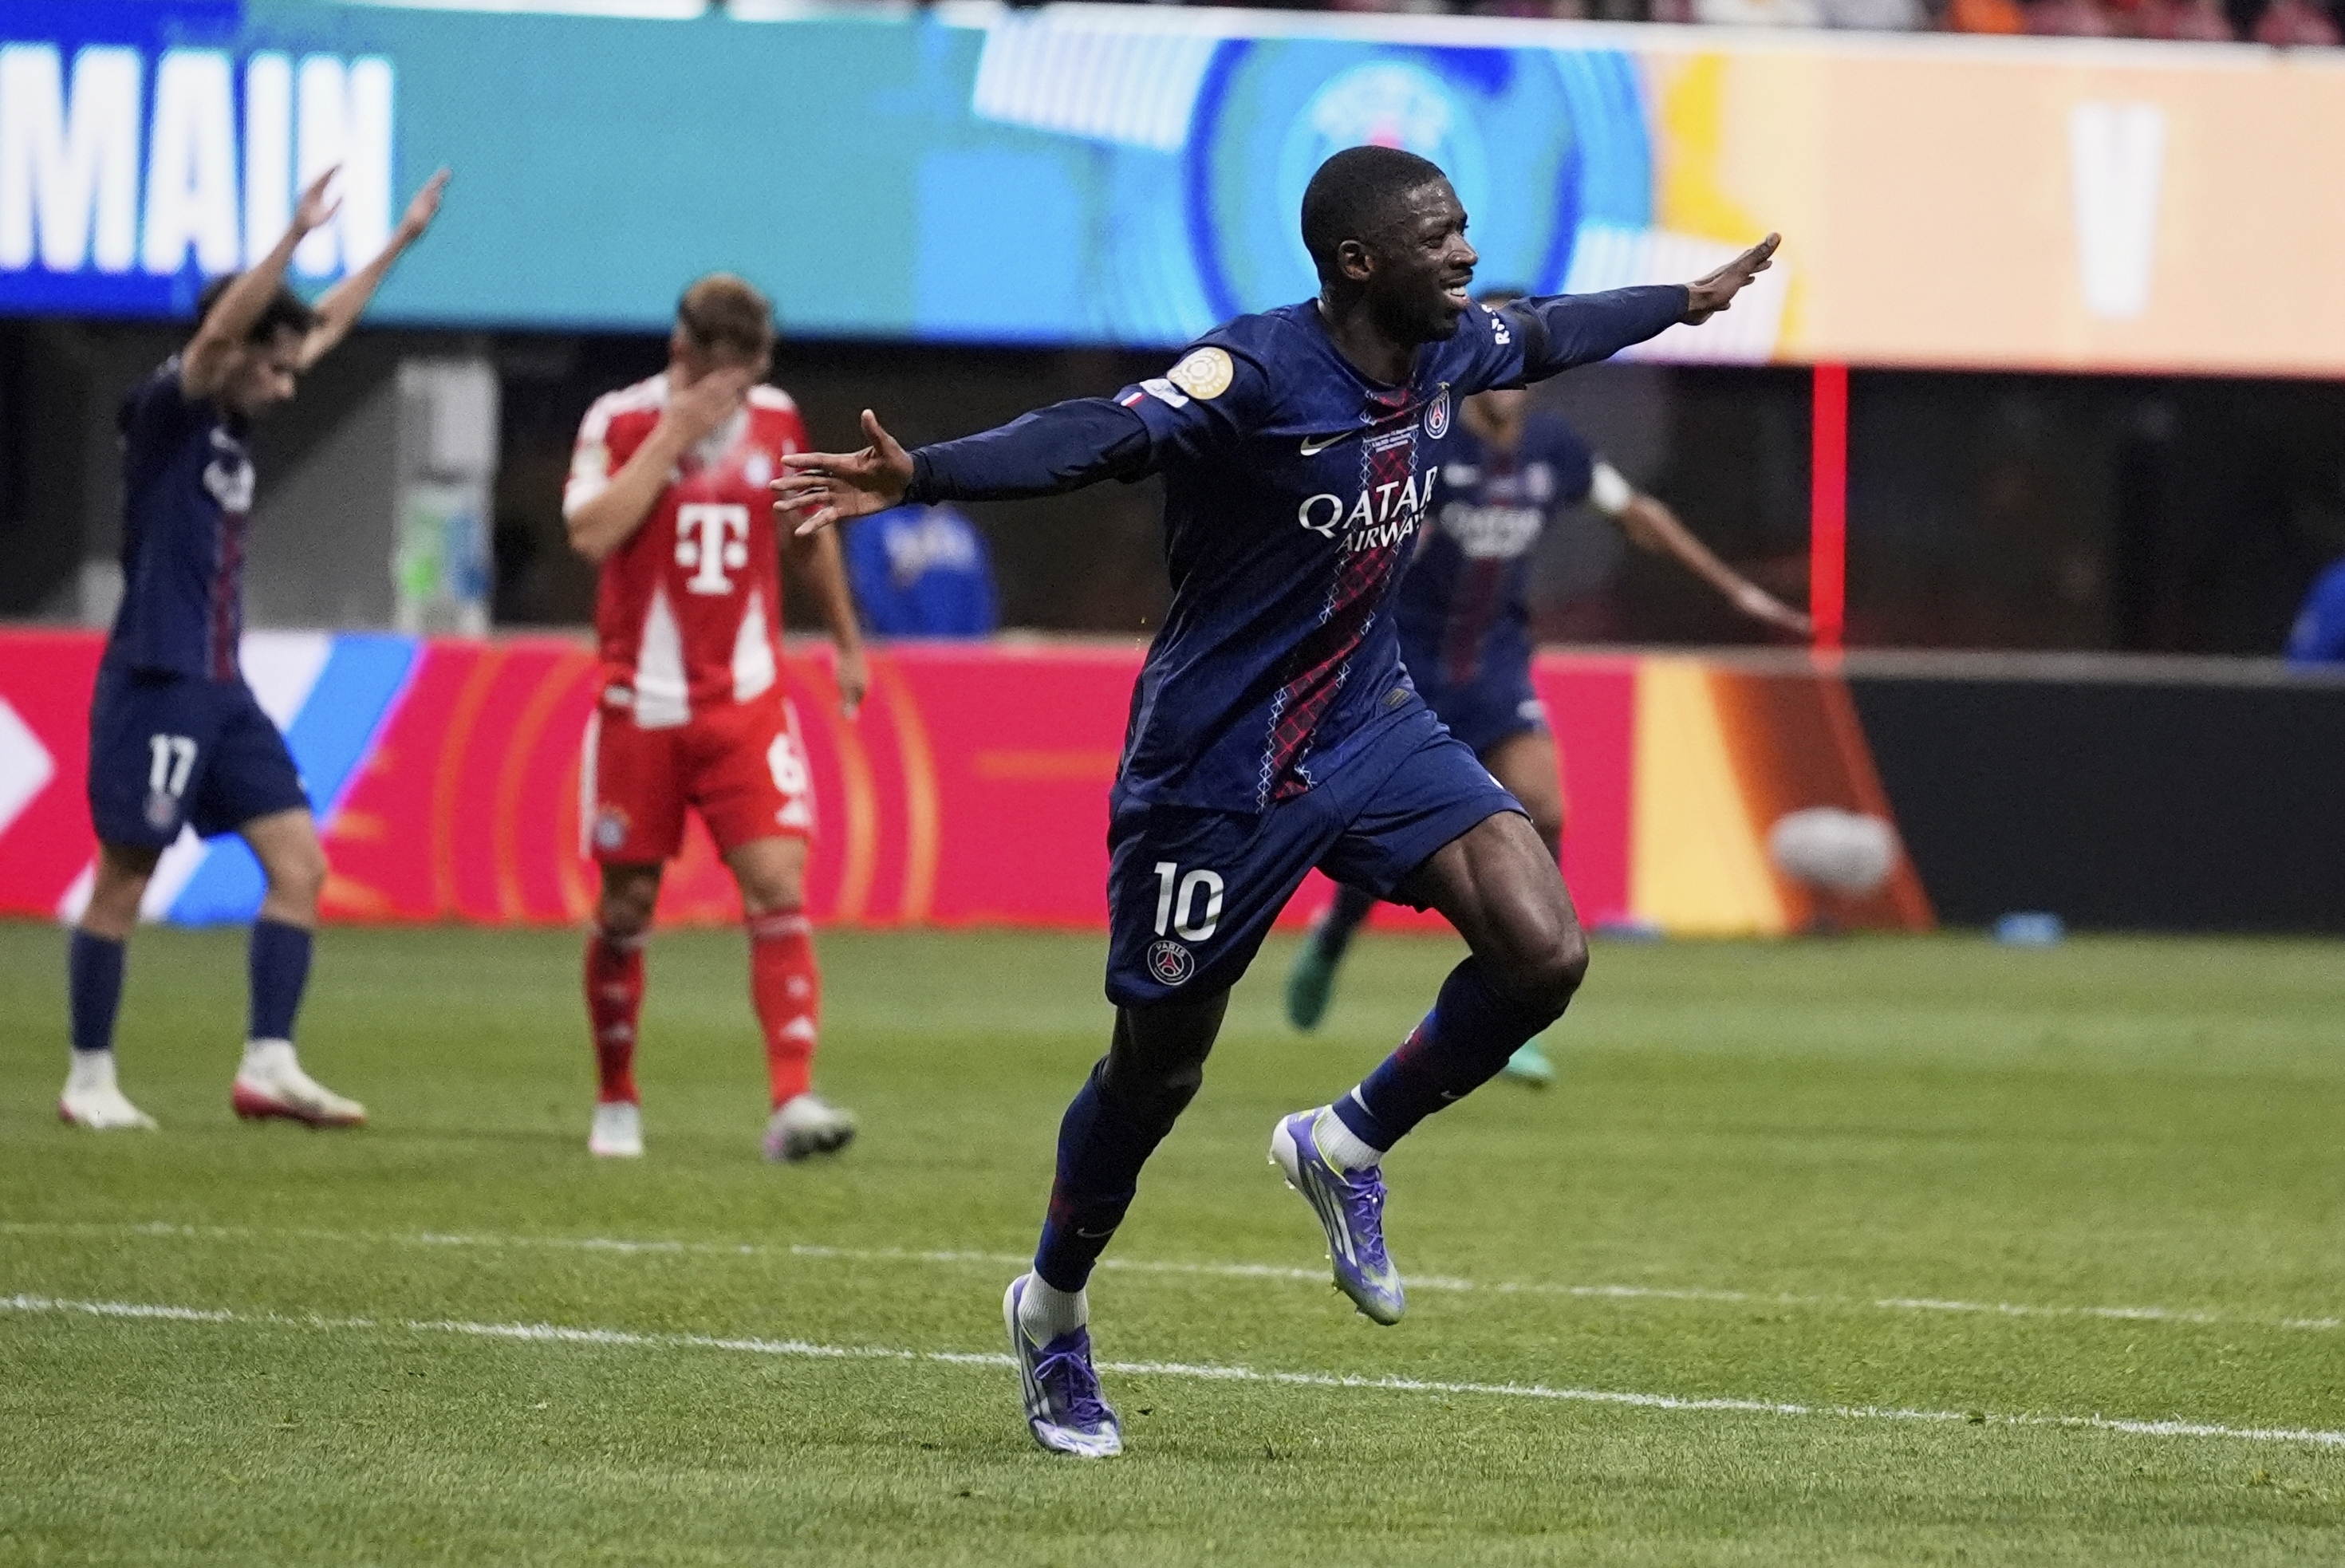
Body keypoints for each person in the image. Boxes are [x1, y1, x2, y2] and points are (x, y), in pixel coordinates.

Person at [778, 145, 1776, 1456]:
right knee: (1160, 1066)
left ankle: (1348, 1143)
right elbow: (1100, 434)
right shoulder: (1249, 376)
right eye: (1441, 234)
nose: (1467, 255)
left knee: (1544, 946)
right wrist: (927, 476)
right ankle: (1052, 1308)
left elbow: (1545, 332)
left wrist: (1681, 303)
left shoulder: (1449, 353)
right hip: (1215, 773)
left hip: (1372, 727)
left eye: (1467, 228)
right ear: (1360, 262)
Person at [1285, 294, 1811, 1084]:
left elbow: (1637, 513)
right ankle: (1337, 933)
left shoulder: (1552, 449)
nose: (1503, 377)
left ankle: (1511, 998)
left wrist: (1736, 590)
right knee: (1390, 854)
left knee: (1547, 805)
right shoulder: (1435, 444)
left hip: (1496, 667)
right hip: (1410, 674)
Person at [59, 164, 448, 1132]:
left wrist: (398, 245)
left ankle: (268, 1065)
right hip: (155, 676)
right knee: (125, 878)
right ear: (227, 355)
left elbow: (321, 331)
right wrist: (292, 235)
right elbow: (231, 333)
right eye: (269, 367)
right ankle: (88, 1077)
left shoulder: (233, 410)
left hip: (221, 688)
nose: (284, 382)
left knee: (300, 865)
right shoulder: (167, 412)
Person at [564, 275, 868, 1164]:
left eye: (750, 374)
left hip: (745, 701)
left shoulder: (778, 421)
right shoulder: (619, 421)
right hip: (639, 705)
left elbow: (810, 530)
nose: (737, 391)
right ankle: (616, 1097)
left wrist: (847, 642)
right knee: (626, 903)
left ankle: (793, 1099)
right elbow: (590, 532)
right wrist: (674, 435)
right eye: (722, 373)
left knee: (778, 880)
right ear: (683, 351)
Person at [843, 502, 998, 638]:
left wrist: (972, 648)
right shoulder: (874, 526)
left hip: (959, 658)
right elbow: (871, 592)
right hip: (899, 655)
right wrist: (906, 641)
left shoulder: (960, 528)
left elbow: (981, 595)